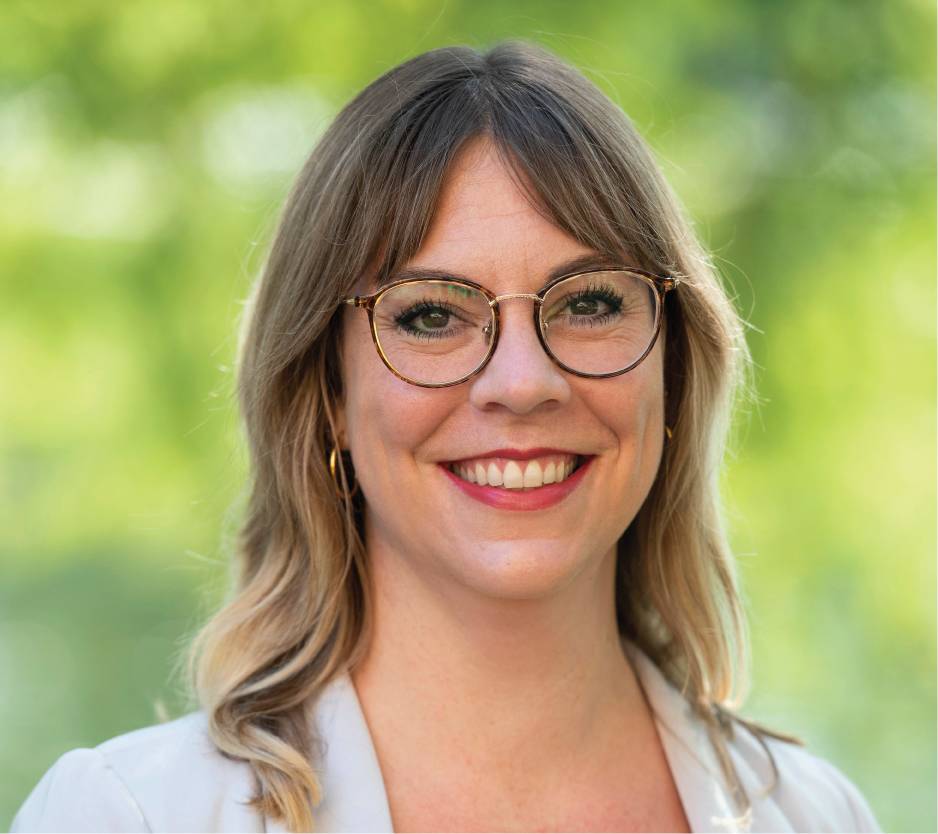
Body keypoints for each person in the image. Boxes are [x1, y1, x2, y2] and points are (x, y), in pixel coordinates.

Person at [11, 41, 880, 834]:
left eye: (589, 303)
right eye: (431, 314)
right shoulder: (129, 816)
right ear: (329, 397)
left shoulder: (816, 816)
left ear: (675, 376)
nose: (522, 383)